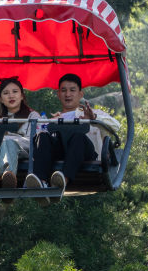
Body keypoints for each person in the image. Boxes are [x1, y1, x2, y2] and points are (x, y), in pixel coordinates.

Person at [24, 73, 121, 202]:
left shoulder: (92, 114)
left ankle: (62, 180)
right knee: (42, 136)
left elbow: (116, 126)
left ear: (80, 94)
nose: (68, 94)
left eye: (72, 90)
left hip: (86, 154)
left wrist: (93, 119)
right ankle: (41, 182)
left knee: (77, 136)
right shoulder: (52, 120)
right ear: (58, 94)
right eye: (63, 90)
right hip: (60, 155)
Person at [0, 76, 41, 190]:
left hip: (21, 152)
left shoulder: (32, 116)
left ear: (22, 96)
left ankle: (8, 176)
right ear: (1, 99)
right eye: (6, 93)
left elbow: (34, 141)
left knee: (9, 143)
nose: (11, 96)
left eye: (15, 92)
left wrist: (8, 139)